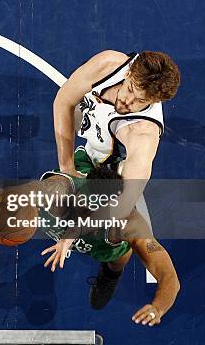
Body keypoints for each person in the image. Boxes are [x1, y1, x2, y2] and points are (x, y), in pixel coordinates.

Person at [0, 168, 179, 327]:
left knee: (118, 257)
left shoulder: (129, 224)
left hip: (104, 243)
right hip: (70, 212)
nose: (84, 210)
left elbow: (168, 276)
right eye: (82, 202)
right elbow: (27, 192)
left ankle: (110, 276)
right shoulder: (58, 191)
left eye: (91, 210)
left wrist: (158, 308)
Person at [50, 50, 181, 269]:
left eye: (140, 100)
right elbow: (63, 101)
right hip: (91, 150)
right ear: (129, 72)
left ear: (155, 101)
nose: (127, 100)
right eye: (130, 88)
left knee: (111, 238)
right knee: (54, 197)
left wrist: (74, 232)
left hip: (113, 180)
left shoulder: (142, 134)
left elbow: (124, 203)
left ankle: (115, 265)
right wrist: (67, 168)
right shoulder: (109, 64)